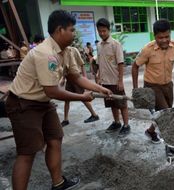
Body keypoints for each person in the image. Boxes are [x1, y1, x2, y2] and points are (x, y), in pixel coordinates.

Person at [5, 10, 112, 190]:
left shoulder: (67, 51)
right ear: (60, 30)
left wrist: (99, 88)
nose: (74, 33)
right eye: (71, 30)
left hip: (43, 103)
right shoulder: (45, 53)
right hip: (23, 104)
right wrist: (82, 97)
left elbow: (76, 77)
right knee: (27, 153)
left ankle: (58, 184)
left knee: (55, 139)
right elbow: (52, 90)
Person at [132, 19, 174, 143]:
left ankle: (150, 131)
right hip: (152, 87)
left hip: (168, 85)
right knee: (167, 115)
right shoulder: (147, 49)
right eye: (160, 37)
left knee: (164, 113)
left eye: (167, 36)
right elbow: (135, 66)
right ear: (155, 36)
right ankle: (173, 145)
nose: (164, 40)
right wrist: (136, 89)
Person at [96, 18, 131, 136]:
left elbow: (121, 63)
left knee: (122, 104)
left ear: (109, 30)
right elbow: (99, 63)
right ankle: (117, 122)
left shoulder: (116, 44)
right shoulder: (99, 45)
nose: (102, 33)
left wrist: (120, 80)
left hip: (116, 81)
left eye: (104, 31)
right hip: (105, 82)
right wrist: (98, 76)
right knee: (112, 103)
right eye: (100, 31)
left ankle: (126, 125)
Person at [60, 47, 99, 127]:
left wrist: (85, 79)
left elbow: (82, 64)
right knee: (66, 99)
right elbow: (64, 68)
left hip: (76, 78)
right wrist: (63, 78)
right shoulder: (61, 51)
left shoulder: (74, 50)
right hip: (68, 78)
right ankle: (66, 119)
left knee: (82, 97)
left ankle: (94, 115)